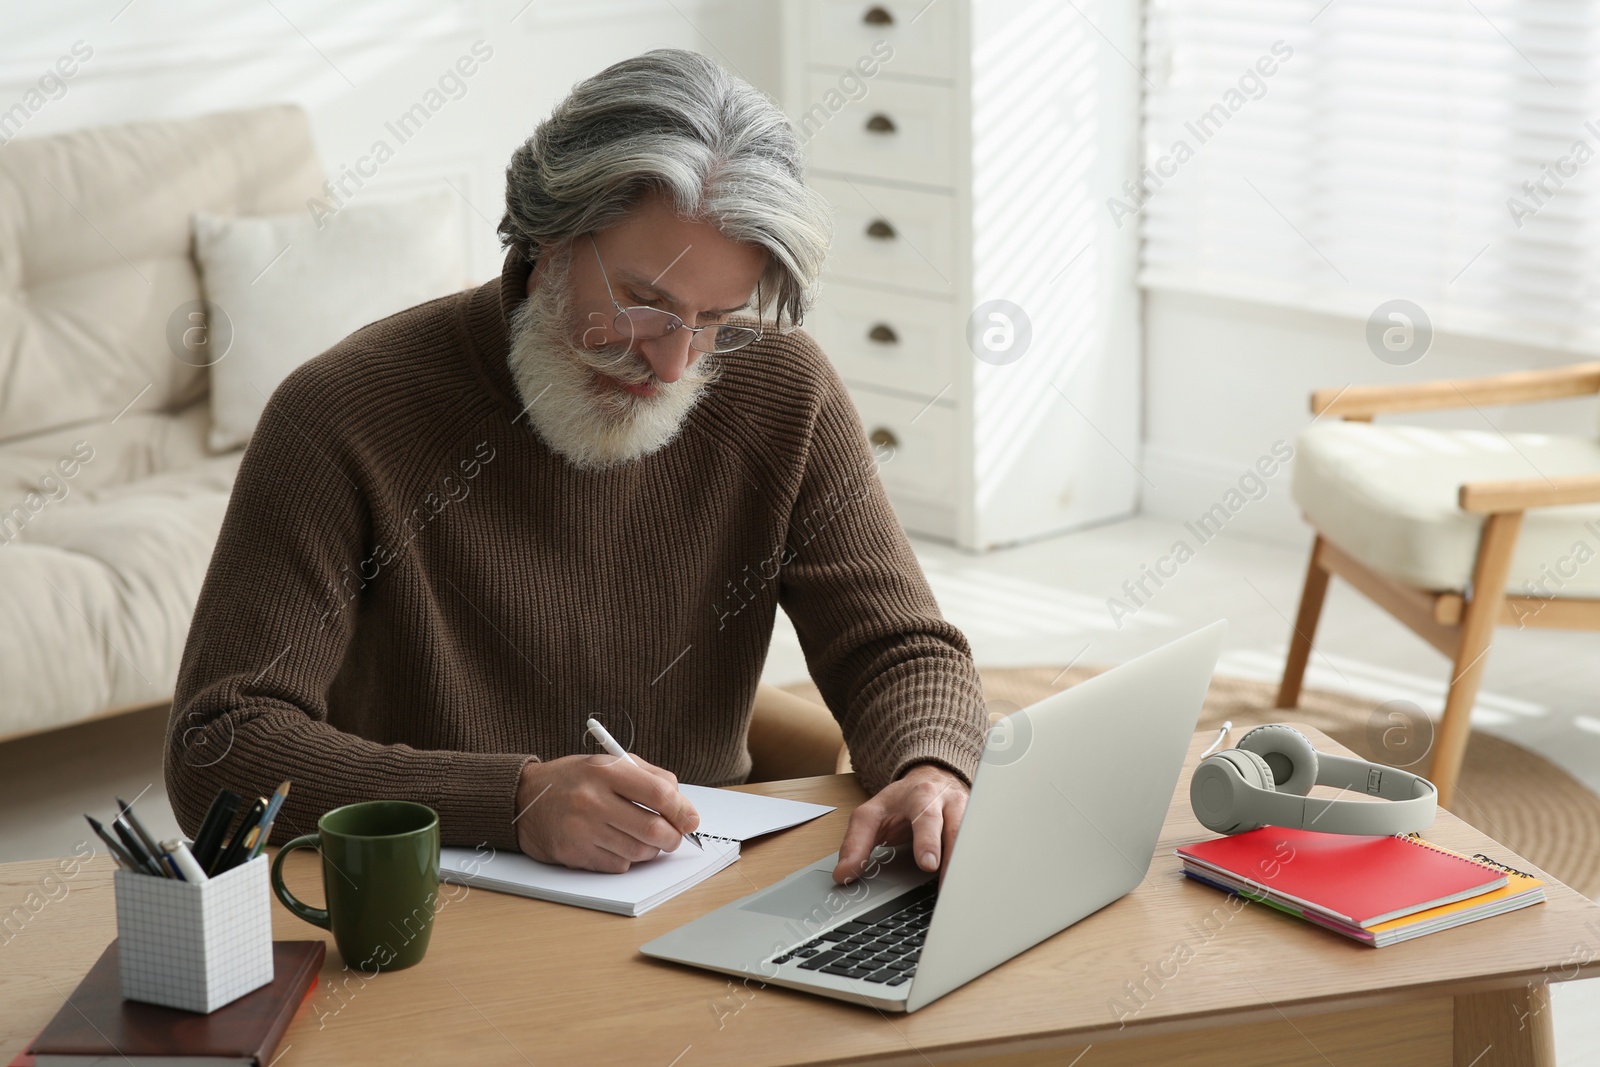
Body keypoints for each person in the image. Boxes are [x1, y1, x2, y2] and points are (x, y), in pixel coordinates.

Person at [165, 48, 988, 887]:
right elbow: (220, 744)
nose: (675, 364)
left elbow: (896, 647)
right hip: (433, 906)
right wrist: (509, 801)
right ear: (549, 230)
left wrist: (932, 767)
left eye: (717, 319)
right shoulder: (340, 414)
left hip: (697, 890)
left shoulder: (781, 387)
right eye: (646, 301)